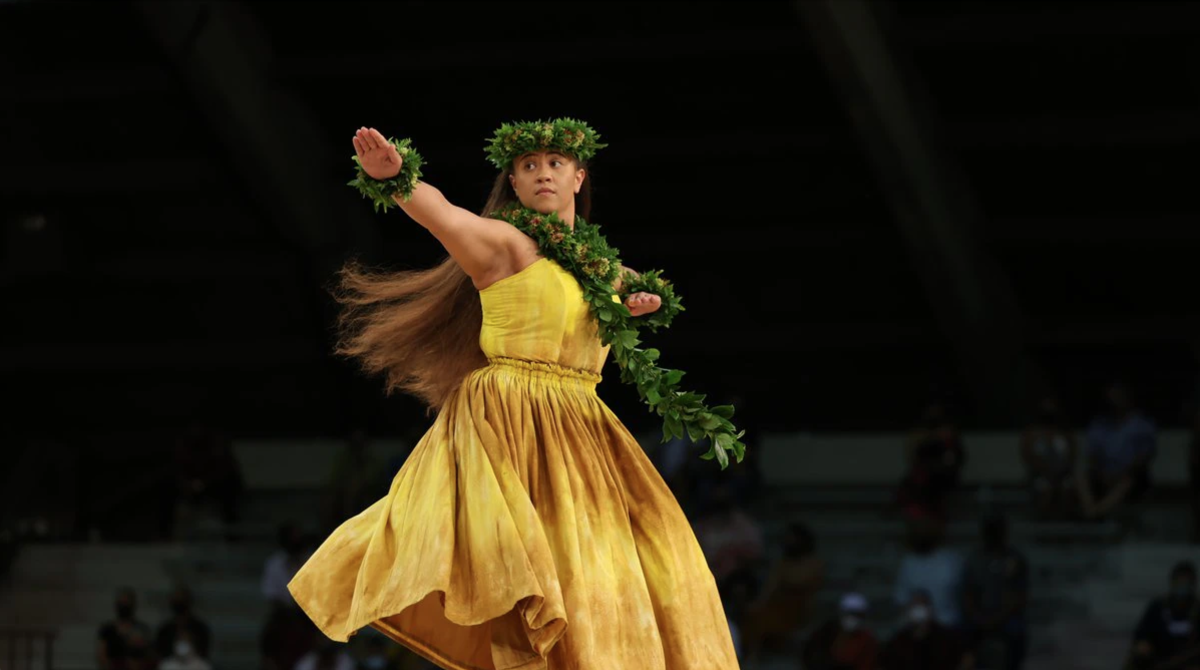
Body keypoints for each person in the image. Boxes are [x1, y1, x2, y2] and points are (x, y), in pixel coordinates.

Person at [287, 120, 742, 669]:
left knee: (634, 563)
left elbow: (626, 296)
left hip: (582, 427)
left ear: (579, 177)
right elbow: (446, 215)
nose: (542, 173)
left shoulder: (604, 273)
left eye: (554, 164)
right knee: (529, 564)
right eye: (528, 166)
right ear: (515, 184)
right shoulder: (505, 245)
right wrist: (399, 179)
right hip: (511, 419)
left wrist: (635, 304)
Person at [743, 522, 825, 664]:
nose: (789, 541)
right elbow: (770, 587)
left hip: (799, 609)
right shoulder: (782, 563)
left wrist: (788, 583)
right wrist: (759, 603)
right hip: (777, 606)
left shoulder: (813, 563)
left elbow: (804, 584)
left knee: (766, 619)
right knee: (755, 615)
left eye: (792, 538)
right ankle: (751, 655)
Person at [1079, 383, 1157, 520]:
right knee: (1083, 477)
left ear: (1128, 399)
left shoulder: (1141, 424)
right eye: (1110, 399)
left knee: (1127, 482)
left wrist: (1120, 473)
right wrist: (1102, 472)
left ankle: (1096, 514)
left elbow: (1144, 456)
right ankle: (1089, 510)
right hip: (1103, 473)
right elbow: (1093, 456)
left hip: (1130, 474)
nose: (1114, 403)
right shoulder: (1099, 424)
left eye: (1118, 398)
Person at [962, 513, 1029, 670]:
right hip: (979, 616)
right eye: (990, 530)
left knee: (1017, 631)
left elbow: (1019, 597)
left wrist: (996, 620)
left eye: (996, 530)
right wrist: (978, 618)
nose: (993, 534)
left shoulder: (1015, 559)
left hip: (1006, 617)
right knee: (962, 631)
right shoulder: (974, 560)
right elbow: (968, 595)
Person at [1126, 561, 1200, 670]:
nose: (1182, 586)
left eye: (1186, 582)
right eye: (1179, 581)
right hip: (1159, 660)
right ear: (1172, 582)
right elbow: (1142, 635)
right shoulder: (1157, 607)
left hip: (1189, 662)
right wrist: (1142, 645)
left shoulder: (1197, 609)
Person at [881, 590, 974, 670]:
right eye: (915, 606)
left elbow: (967, 659)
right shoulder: (899, 641)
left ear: (930, 609)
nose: (919, 611)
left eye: (923, 606)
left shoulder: (946, 637)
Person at [1019, 396, 1078, 520]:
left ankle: (1064, 527)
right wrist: (1047, 472)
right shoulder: (1031, 433)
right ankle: (1043, 527)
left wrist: (1059, 473)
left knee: (1068, 488)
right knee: (1045, 489)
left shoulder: (1065, 433)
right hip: (1040, 476)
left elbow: (1071, 457)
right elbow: (1028, 457)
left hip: (1063, 475)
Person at [801, 592, 880, 670]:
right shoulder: (825, 634)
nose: (852, 619)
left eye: (857, 615)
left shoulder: (867, 639)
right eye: (848, 614)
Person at [97, 588, 156, 670]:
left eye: (126, 603)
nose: (124, 606)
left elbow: (149, 656)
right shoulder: (107, 630)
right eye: (121, 603)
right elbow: (102, 656)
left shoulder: (142, 629)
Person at [155, 585, 213, 661]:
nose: (179, 601)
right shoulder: (165, 630)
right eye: (176, 599)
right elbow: (161, 654)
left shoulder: (200, 628)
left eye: (182, 599)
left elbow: (203, 653)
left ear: (189, 601)